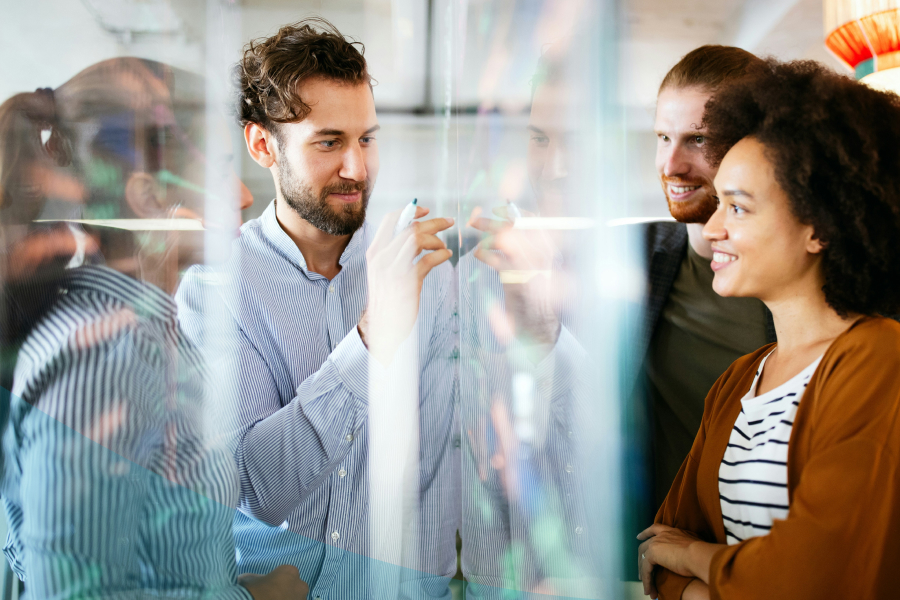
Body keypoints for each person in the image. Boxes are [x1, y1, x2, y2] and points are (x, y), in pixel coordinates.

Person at [0, 58, 306, 599]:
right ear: (147, 199)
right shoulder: (106, 355)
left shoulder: (151, 337)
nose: (241, 194)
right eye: (218, 170)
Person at [175, 18, 458, 599]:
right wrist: (372, 339)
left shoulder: (430, 272)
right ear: (262, 146)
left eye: (368, 139)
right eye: (329, 142)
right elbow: (255, 487)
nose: (357, 168)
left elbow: (455, 461)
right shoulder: (214, 288)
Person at [637, 59, 900, 600]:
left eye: (738, 207)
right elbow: (653, 552)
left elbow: (808, 579)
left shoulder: (879, 357)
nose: (713, 227)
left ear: (819, 228)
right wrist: (701, 575)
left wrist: (694, 559)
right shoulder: (739, 380)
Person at [459, 45, 595, 598]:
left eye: (574, 138)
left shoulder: (642, 258)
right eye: (539, 137)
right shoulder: (479, 263)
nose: (556, 162)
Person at [639, 44, 772, 512]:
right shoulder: (628, 257)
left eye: (697, 139)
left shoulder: (809, 277)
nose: (671, 165)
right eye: (662, 137)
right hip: (649, 557)